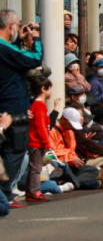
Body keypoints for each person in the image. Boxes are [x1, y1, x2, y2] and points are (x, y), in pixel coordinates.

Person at [0, 11, 42, 215]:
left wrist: (21, 41)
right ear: (10, 26)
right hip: (12, 107)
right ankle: (4, 193)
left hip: (6, 105)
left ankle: (5, 193)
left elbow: (15, 57)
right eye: (17, 25)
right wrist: (35, 39)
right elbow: (34, 59)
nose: (18, 28)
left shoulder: (7, 49)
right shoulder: (4, 46)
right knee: (14, 152)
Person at [23, 74, 54, 204]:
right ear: (43, 89)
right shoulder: (40, 105)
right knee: (36, 167)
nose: (51, 91)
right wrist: (47, 142)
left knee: (36, 166)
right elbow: (41, 125)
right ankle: (34, 190)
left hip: (34, 140)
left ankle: (32, 190)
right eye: (50, 89)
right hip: (37, 141)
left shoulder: (35, 105)